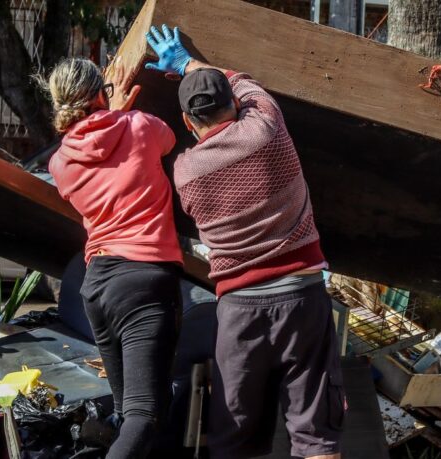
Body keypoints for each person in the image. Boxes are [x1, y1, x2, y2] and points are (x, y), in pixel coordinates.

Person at [145, 25, 345, 459]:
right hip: (302, 298)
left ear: (186, 122)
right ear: (234, 105)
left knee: (234, 440)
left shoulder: (186, 171)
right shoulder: (266, 130)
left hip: (238, 311)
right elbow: (247, 84)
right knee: (316, 437)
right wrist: (188, 64)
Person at [45, 58, 182, 459]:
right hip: (144, 281)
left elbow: (97, 145)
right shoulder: (139, 126)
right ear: (100, 92)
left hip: (99, 286)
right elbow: (169, 140)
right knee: (144, 415)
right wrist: (119, 111)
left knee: (126, 412)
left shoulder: (60, 164)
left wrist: (109, 112)